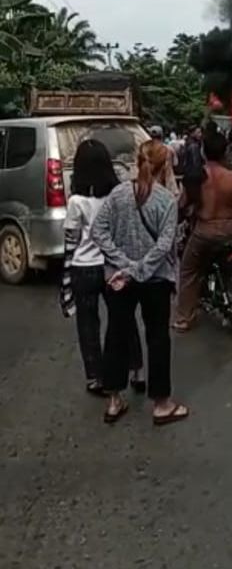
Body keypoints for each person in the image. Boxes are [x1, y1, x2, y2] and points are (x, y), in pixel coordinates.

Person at [92, 140, 188, 426]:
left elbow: (99, 231)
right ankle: (161, 403)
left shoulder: (118, 194)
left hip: (119, 279)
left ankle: (113, 400)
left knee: (116, 335)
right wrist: (139, 269)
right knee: (157, 337)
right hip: (155, 279)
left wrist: (123, 265)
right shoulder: (166, 200)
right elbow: (165, 244)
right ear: (165, 166)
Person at [60, 139, 144, 396]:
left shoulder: (76, 201)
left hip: (83, 268)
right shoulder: (117, 196)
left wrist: (64, 275)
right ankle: (136, 370)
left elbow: (71, 240)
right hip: (112, 266)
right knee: (124, 319)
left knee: (88, 324)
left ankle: (95, 377)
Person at [173, 130, 232, 331]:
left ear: (203, 152)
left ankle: (184, 318)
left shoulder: (195, 177)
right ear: (225, 152)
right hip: (231, 232)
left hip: (204, 233)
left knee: (188, 270)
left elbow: (182, 205)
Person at [149, 124, 179, 196]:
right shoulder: (169, 149)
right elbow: (175, 164)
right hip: (168, 186)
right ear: (162, 136)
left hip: (152, 186)